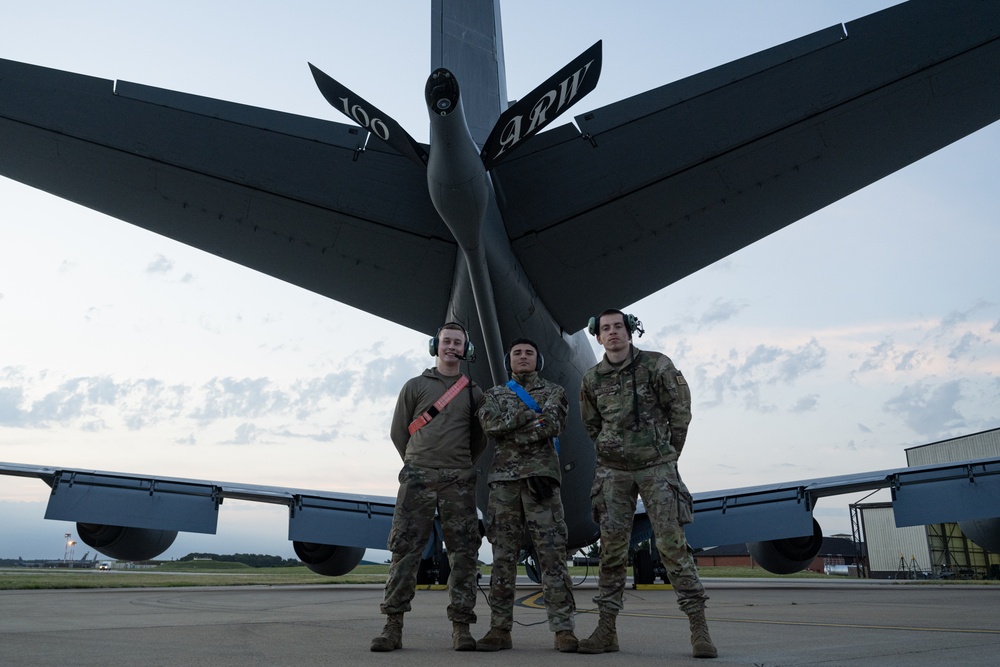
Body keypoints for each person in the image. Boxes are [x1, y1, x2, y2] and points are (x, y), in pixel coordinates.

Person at [578, 309, 717, 659]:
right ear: (598, 336)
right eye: (606, 329)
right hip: (613, 473)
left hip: (656, 468)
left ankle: (699, 629)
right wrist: (613, 453)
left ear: (630, 331)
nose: (612, 334)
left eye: (618, 327)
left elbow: (680, 412)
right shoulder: (592, 379)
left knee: (673, 547)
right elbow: (591, 425)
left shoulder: (657, 366)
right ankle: (606, 630)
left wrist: (667, 454)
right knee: (610, 552)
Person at [371, 322, 486, 652]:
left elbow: (478, 440)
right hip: (418, 477)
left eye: (458, 342)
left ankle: (462, 628)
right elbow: (398, 433)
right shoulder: (414, 386)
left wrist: (458, 464)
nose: (451, 346)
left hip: (459, 481)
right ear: (436, 345)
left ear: (466, 349)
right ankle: (392, 627)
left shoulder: (473, 392)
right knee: (404, 552)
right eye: (446, 341)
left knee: (463, 554)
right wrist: (418, 463)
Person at [475, 338, 578, 653]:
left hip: (541, 483)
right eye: (517, 353)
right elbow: (489, 426)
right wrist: (525, 421)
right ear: (509, 360)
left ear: (538, 361)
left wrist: (513, 429)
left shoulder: (554, 392)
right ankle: (499, 630)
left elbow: (553, 424)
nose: (523, 357)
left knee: (552, 557)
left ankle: (563, 630)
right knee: (502, 558)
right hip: (504, 484)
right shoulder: (494, 394)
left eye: (529, 353)